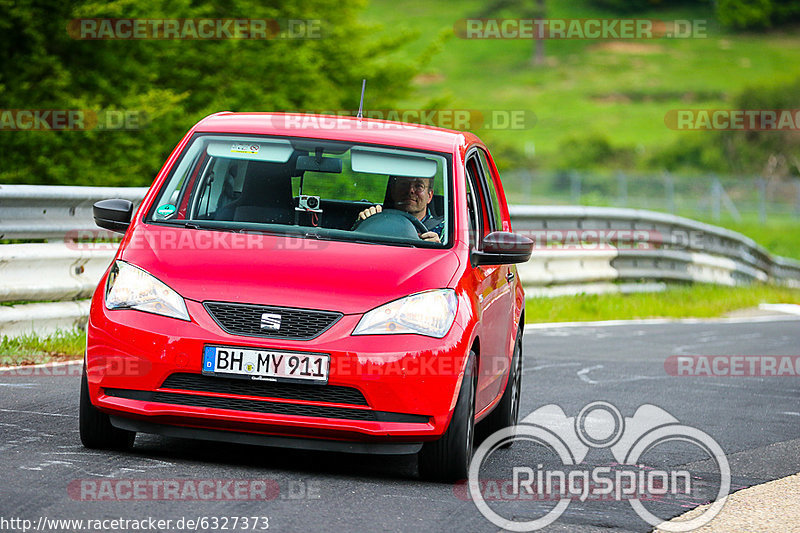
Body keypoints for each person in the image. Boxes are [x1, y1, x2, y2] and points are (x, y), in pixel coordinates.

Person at [356, 176, 443, 243]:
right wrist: (365, 223)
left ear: (429, 196)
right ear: (393, 190)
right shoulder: (375, 219)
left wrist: (438, 248)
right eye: (404, 184)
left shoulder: (445, 231)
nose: (410, 190)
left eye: (419, 186)